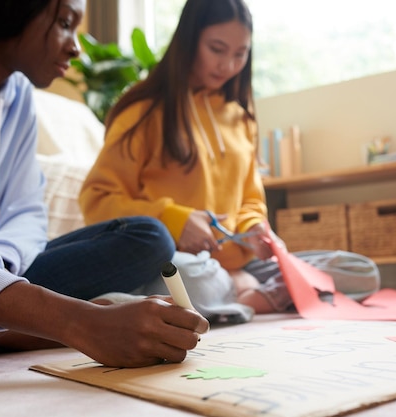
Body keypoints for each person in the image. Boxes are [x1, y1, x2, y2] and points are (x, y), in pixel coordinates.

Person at [0, 0, 209, 370]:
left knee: (148, 236)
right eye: (65, 23)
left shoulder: (18, 96)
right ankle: (5, 325)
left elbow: (27, 213)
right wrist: (82, 321)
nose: (76, 46)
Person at [79, 0, 298, 319]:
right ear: (189, 40)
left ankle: (237, 295)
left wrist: (254, 228)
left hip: (240, 263)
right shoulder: (142, 112)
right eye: (217, 49)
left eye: (240, 54)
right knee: (193, 279)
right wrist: (175, 220)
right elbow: (96, 202)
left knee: (352, 268)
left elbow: (251, 200)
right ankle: (245, 293)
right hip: (179, 264)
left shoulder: (240, 120)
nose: (228, 66)